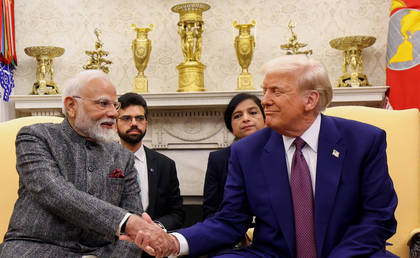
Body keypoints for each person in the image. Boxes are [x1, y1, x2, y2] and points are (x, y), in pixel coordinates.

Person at [134, 55, 398, 257]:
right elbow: (229, 221)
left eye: (276, 91)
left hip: (348, 252)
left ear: (310, 100)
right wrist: (173, 241)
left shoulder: (364, 141)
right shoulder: (246, 151)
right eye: (265, 91)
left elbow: (378, 219)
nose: (265, 101)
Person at [0, 70, 172, 258]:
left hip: (104, 253)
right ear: (71, 106)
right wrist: (125, 221)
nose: (114, 113)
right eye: (103, 103)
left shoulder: (123, 156)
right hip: (36, 249)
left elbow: (131, 232)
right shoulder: (35, 137)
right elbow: (56, 192)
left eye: (115, 105)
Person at [115, 92, 185, 257]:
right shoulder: (103, 161)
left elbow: (177, 213)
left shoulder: (165, 165)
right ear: (114, 124)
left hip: (154, 249)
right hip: (115, 246)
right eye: (126, 118)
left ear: (146, 122)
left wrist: (155, 228)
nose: (134, 123)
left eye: (139, 118)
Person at [203, 93, 266, 221]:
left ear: (265, 119)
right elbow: (210, 211)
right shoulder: (218, 159)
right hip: (232, 234)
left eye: (253, 113)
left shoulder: (281, 152)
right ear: (231, 127)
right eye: (237, 116)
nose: (246, 119)